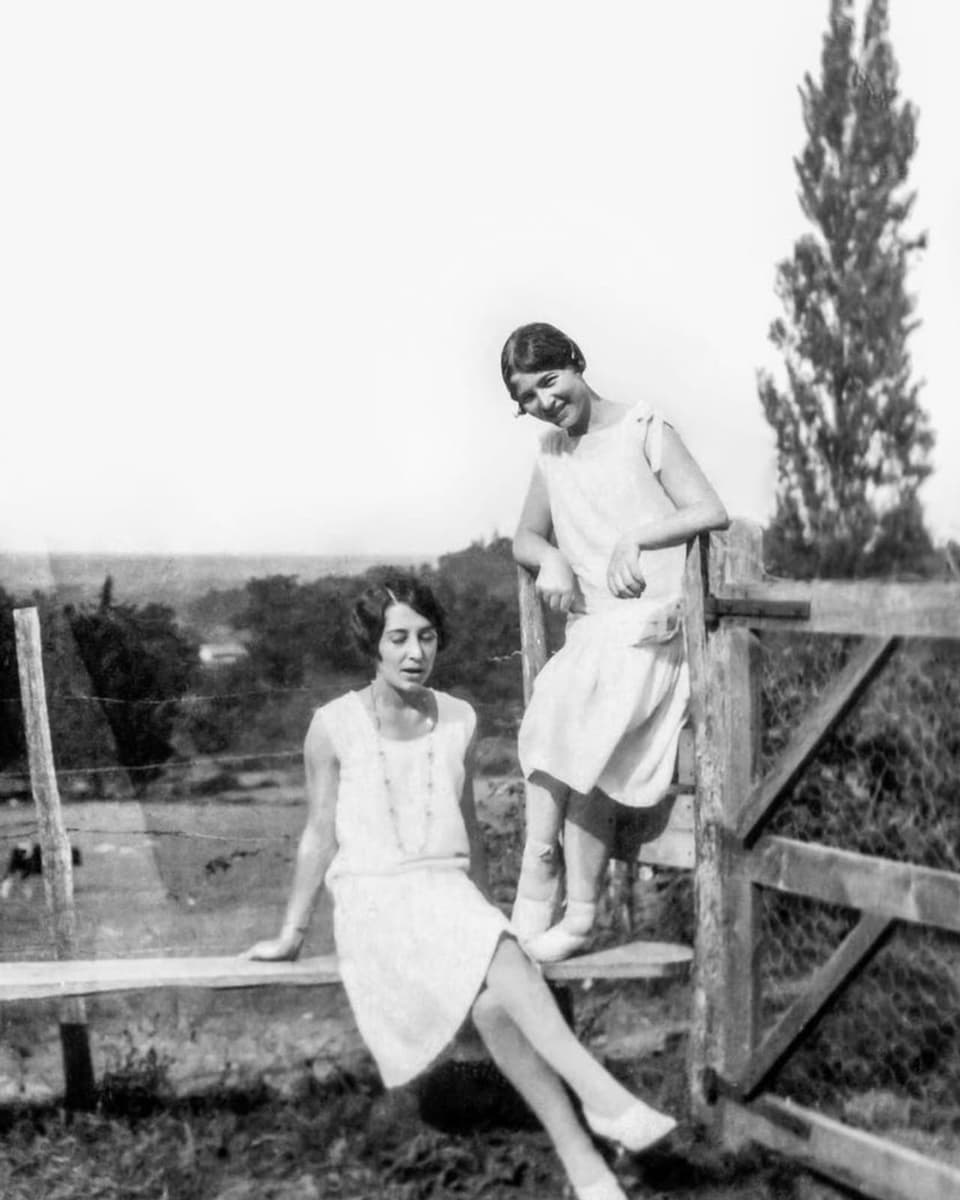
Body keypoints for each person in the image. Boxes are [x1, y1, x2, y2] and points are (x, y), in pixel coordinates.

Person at [245, 576, 675, 1200]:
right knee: (485, 952)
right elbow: (318, 834)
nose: (415, 652)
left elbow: (467, 828)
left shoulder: (459, 719)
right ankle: (603, 1099)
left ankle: (584, 1164)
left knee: (498, 1002)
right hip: (374, 903)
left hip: (449, 901)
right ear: (373, 644)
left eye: (427, 637)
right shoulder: (332, 726)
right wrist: (291, 933)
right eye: (398, 638)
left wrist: (485, 912)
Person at [503, 322, 728, 963]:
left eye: (551, 381)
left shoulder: (641, 426)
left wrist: (639, 539)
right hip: (598, 631)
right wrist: (550, 558)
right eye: (529, 397)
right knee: (560, 706)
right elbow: (524, 535)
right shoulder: (551, 452)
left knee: (588, 721)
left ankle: (567, 907)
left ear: (575, 363)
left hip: (657, 628)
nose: (546, 402)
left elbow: (710, 509)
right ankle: (543, 871)